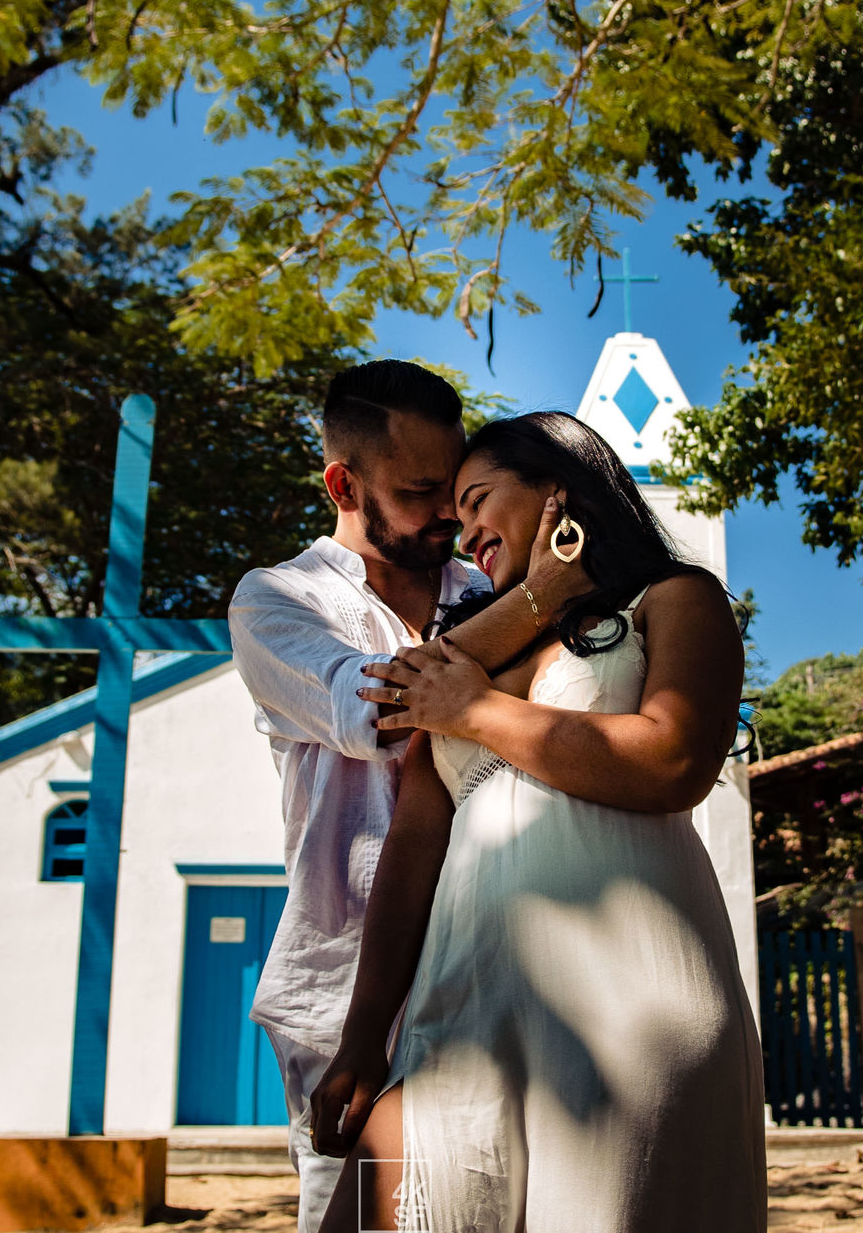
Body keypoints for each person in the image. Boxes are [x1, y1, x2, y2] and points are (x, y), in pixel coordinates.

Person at [310, 411, 768, 1233]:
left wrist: (478, 713)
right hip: (461, 1011)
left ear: (561, 488)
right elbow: (414, 850)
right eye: (455, 508)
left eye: (479, 498)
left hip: (635, 1007)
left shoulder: (676, 600)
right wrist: (362, 1037)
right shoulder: (464, 655)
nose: (465, 528)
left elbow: (673, 762)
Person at [229, 364, 575, 1232]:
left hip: (510, 963)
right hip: (347, 986)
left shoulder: (487, 588)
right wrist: (544, 599)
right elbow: (386, 703)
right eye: (423, 492)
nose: (453, 515)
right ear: (343, 485)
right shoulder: (278, 602)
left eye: (457, 488)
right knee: (351, 1218)